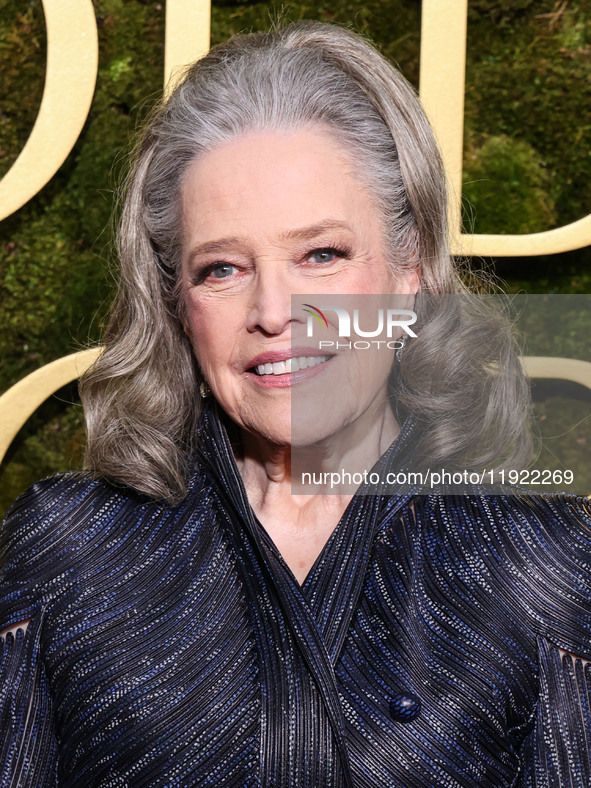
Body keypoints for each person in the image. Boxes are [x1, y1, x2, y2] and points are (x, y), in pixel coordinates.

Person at [1, 20, 590, 788]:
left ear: (408, 270)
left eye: (321, 254)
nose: (274, 311)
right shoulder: (70, 553)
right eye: (221, 268)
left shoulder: (539, 566)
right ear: (177, 301)